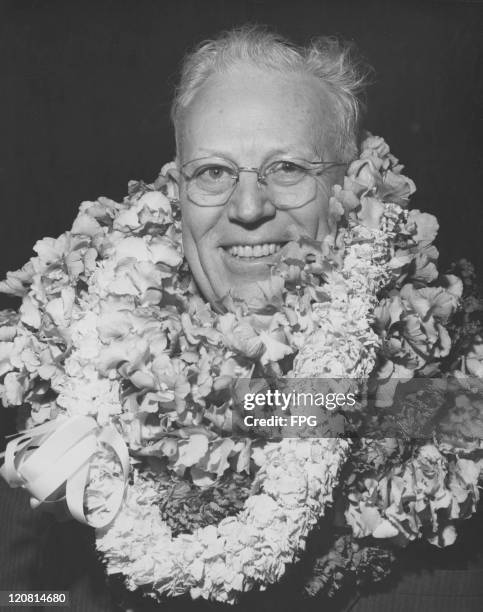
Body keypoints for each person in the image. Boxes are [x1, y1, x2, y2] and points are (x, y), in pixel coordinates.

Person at [1, 25, 483, 612]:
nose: (249, 208)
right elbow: (24, 597)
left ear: (354, 184)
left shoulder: (449, 390)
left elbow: (453, 411)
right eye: (214, 171)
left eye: (287, 168)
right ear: (175, 192)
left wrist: (246, 404)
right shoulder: (61, 412)